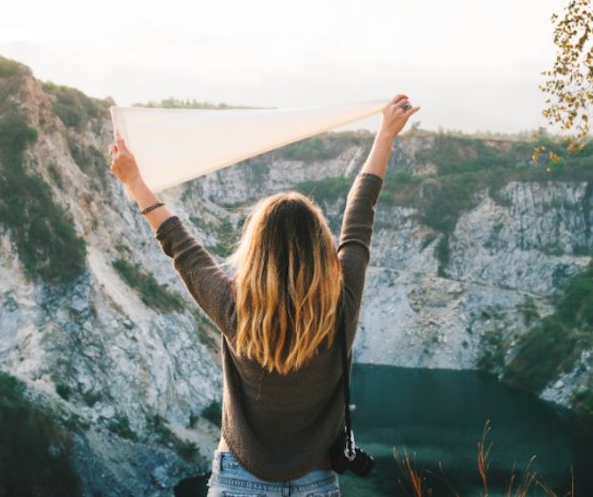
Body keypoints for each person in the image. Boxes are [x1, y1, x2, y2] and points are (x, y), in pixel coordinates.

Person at [108, 94, 419, 496]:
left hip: (239, 478)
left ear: (255, 249)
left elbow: (180, 245)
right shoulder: (341, 302)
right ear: (320, 248)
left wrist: (133, 180)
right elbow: (360, 215)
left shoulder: (234, 306)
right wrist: (386, 135)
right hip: (317, 480)